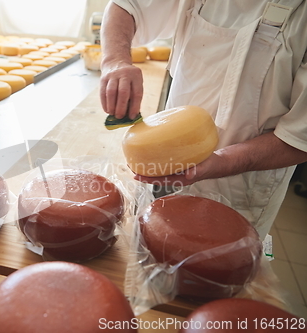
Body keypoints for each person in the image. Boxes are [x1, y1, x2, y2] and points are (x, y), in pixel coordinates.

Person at [99, 0, 307, 240]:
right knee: (148, 247)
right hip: (163, 160)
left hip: (242, 188)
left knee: (217, 268)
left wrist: (221, 162)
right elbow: (127, 5)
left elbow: (298, 139)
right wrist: (115, 60)